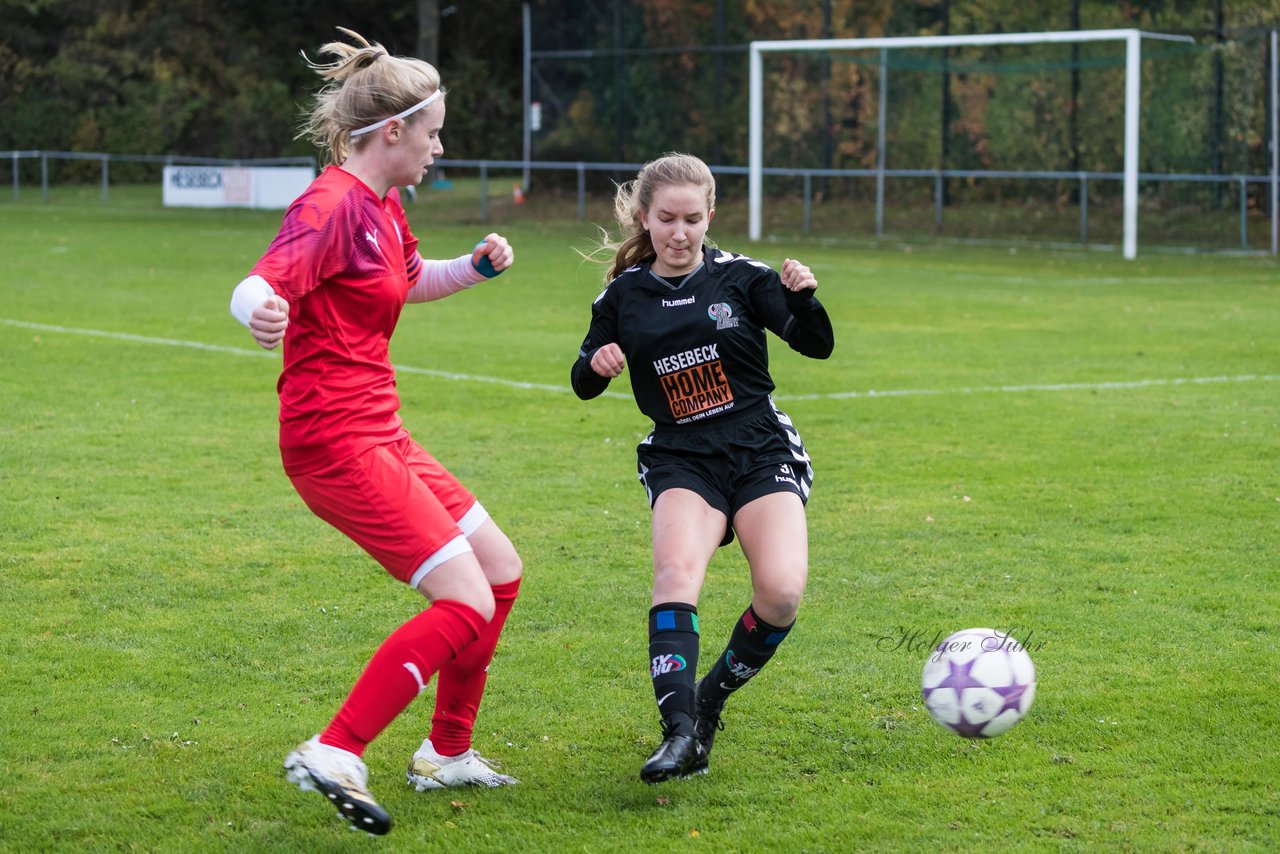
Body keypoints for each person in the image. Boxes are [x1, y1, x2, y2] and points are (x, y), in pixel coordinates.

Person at [229, 29, 522, 835]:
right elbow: (261, 278)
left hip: (381, 430)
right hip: (334, 442)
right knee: (462, 600)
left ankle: (445, 755)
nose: (439, 147)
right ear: (392, 132)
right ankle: (335, 748)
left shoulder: (386, 207)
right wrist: (255, 309)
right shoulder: (327, 204)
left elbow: (406, 281)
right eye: (432, 133)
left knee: (498, 572)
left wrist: (475, 269)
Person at [570, 153, 835, 783]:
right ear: (645, 217)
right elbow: (582, 379)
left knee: (781, 593)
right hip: (682, 455)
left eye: (692, 218)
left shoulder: (743, 279)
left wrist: (806, 299)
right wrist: (599, 363)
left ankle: (709, 698)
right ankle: (681, 732)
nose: (680, 232)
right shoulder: (624, 296)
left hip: (758, 447)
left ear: (710, 215)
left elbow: (816, 343)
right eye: (667, 219)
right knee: (675, 573)